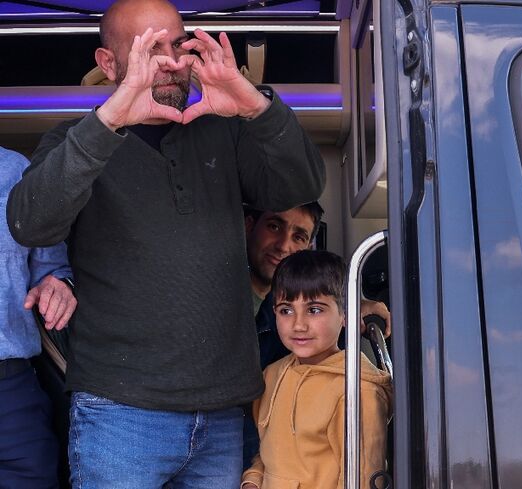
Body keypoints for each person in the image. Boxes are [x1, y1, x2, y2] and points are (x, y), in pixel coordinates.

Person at [4, 0, 325, 486]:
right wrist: (109, 120)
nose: (173, 61)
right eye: (150, 49)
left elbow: (299, 186)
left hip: (222, 413)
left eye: (178, 44)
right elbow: (31, 222)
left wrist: (253, 105)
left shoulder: (224, 133)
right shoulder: (73, 140)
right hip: (119, 415)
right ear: (109, 63)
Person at [241, 202, 392, 468]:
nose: (283, 245)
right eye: (274, 226)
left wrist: (355, 307)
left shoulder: (356, 389)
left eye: (298, 236)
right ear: (249, 225)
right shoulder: (273, 374)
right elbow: (268, 448)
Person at [1, 146, 77, 488]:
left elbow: (52, 267)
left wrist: (58, 285)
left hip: (10, 388)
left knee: (34, 476)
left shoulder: (16, 169)